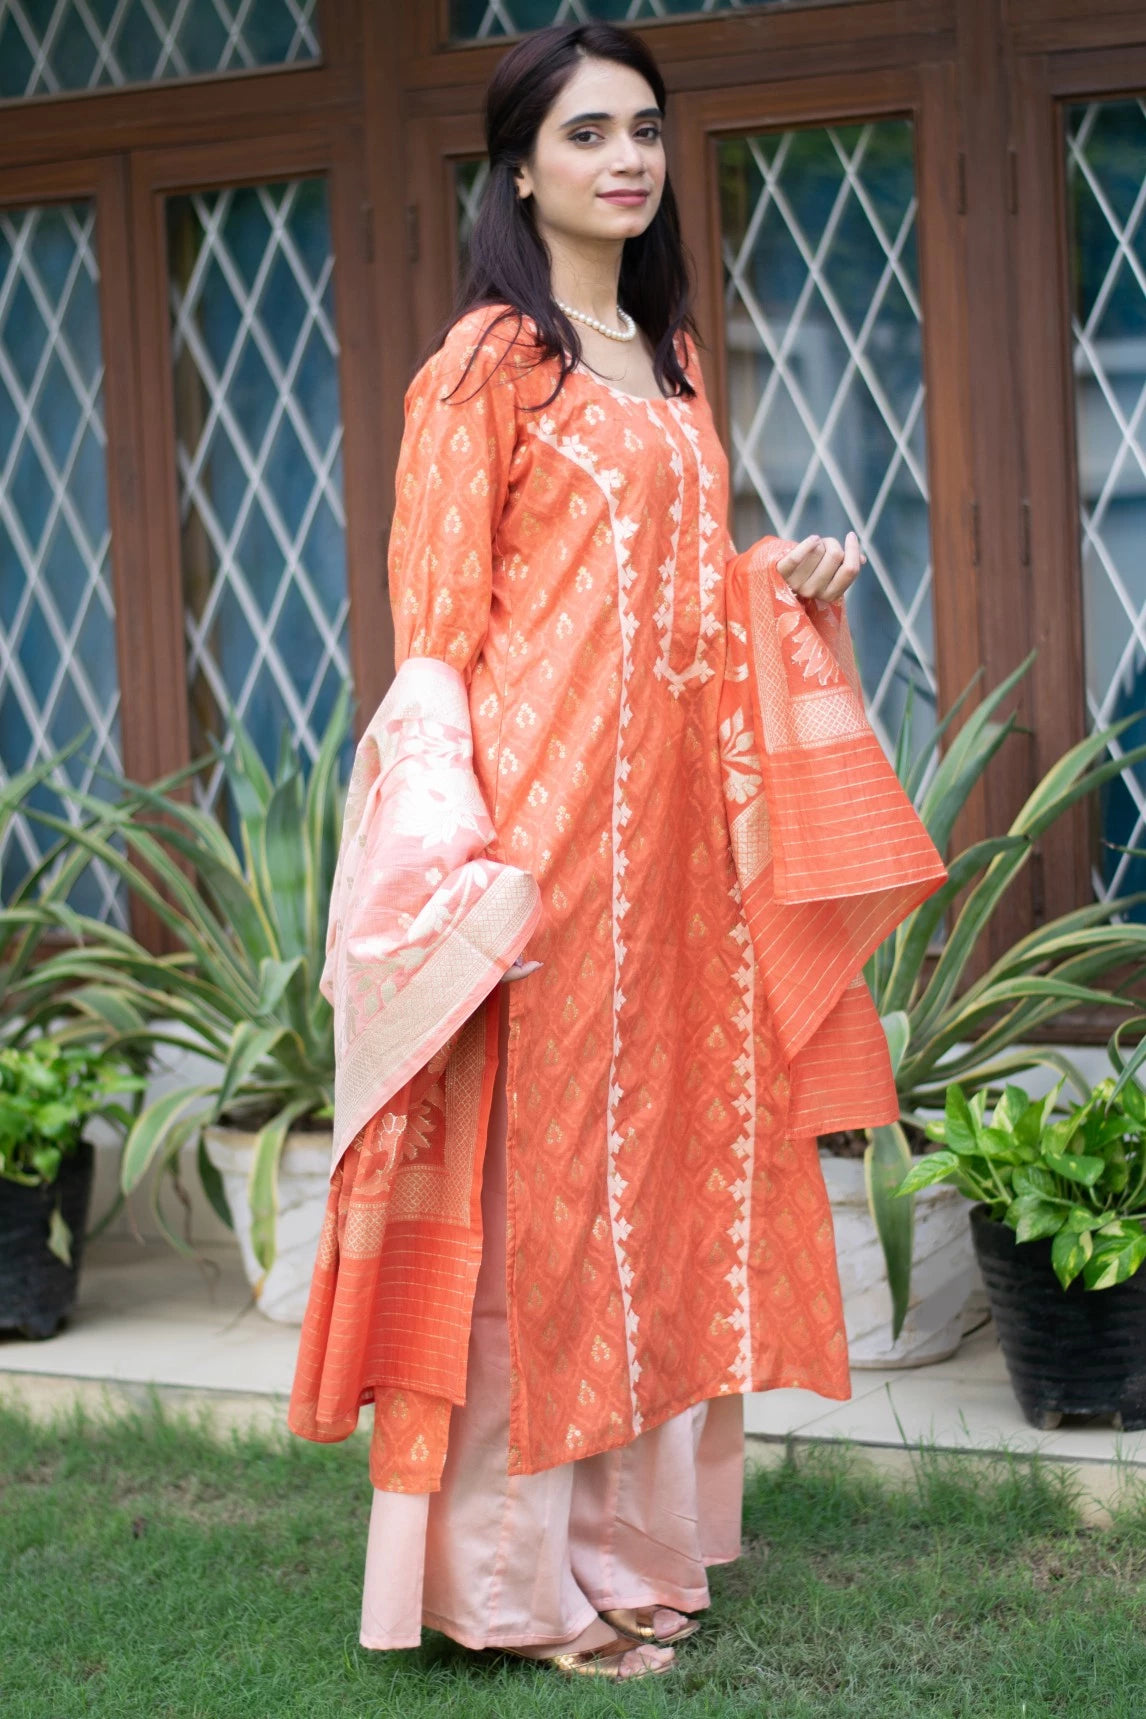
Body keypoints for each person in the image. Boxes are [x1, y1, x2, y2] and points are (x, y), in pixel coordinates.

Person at [288, 20, 946, 1682]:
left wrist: (765, 578)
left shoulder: (662, 355)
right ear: (519, 166)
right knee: (541, 1210)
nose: (625, 159)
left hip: (672, 855)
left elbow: (655, 586)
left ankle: (632, 1553)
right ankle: (510, 1591)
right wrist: (457, 875)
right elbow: (436, 638)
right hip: (538, 848)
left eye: (643, 129)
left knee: (650, 1184)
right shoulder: (489, 361)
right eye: (586, 134)